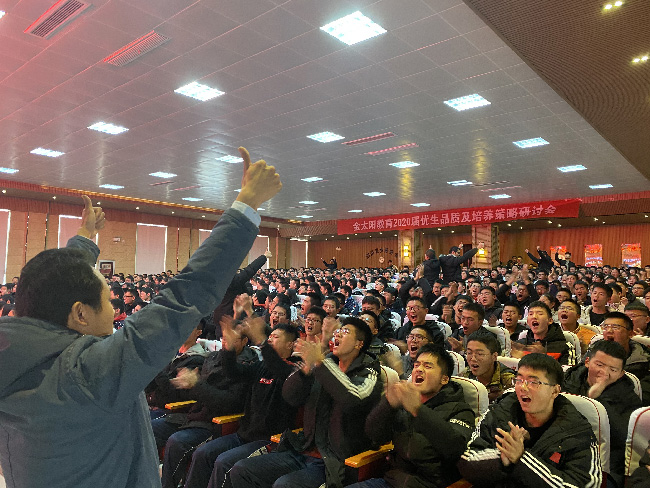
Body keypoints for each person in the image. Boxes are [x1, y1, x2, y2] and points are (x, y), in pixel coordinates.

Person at [0, 147, 281, 488]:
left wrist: (84, 240)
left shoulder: (18, 357)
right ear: (80, 314)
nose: (115, 310)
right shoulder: (86, 376)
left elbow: (51, 287)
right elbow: (184, 295)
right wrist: (247, 203)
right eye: (107, 299)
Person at [228, 317, 382, 488]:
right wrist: (306, 371)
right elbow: (290, 395)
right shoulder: (325, 363)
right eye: (338, 331)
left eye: (345, 332)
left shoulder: (369, 371)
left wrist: (320, 363)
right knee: (242, 470)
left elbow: (353, 397)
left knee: (285, 484)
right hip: (304, 448)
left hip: (334, 459)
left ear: (359, 344)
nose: (337, 335)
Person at [183, 320, 300, 488]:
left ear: (290, 344)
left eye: (275, 337)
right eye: (270, 336)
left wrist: (261, 340)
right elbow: (233, 372)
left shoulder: (293, 371)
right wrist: (229, 348)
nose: (270, 339)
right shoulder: (261, 366)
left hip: (269, 440)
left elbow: (278, 368)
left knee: (224, 462)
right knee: (203, 453)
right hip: (244, 434)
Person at [458, 353, 602, 488]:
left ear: (555, 391)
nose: (523, 387)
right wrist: (503, 458)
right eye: (519, 380)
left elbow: (587, 484)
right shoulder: (500, 412)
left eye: (533, 382)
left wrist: (522, 459)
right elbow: (467, 460)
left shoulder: (576, 430)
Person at [347, 344, 474, 488]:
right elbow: (374, 435)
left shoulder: (460, 410)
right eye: (416, 365)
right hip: (391, 482)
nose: (419, 369)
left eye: (428, 366)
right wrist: (387, 405)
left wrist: (418, 410)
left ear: (444, 379)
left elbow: (456, 449)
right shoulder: (405, 402)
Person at [564, 340, 641, 488]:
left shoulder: (628, 398)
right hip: (565, 450)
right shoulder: (568, 380)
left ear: (621, 374)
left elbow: (626, 439)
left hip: (606, 464)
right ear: (587, 362)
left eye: (613, 369)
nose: (604, 373)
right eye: (599, 365)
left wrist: (596, 399)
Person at [513, 301, 576, 366]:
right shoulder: (520, 344)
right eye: (531, 314)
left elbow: (568, 371)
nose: (534, 316)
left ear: (550, 320)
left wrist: (543, 356)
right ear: (527, 322)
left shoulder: (565, 347)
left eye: (540, 314)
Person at [463, 332, 515, 403]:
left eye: (480, 354)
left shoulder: (508, 380)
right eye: (469, 353)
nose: (473, 359)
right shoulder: (464, 376)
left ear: (494, 356)